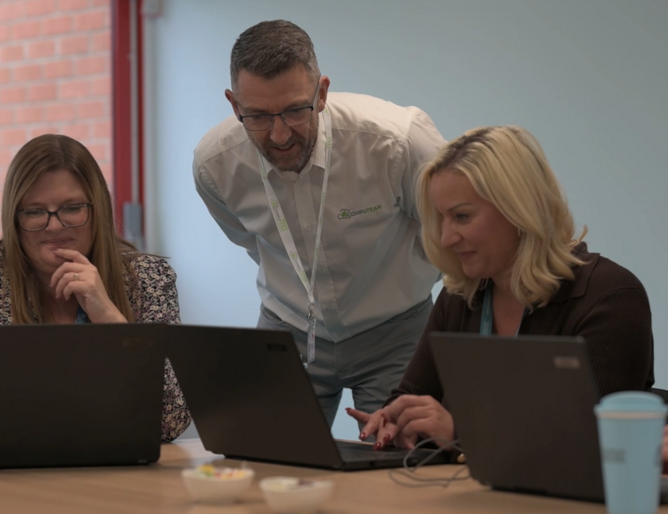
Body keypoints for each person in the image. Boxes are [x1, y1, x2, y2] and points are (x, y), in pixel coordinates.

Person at [193, 19, 446, 426]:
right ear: (234, 105)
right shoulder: (214, 166)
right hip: (287, 329)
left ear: (322, 92)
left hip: (398, 332)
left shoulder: (397, 142)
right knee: (271, 463)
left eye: (295, 110)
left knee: (404, 462)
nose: (278, 135)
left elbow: (451, 237)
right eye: (257, 116)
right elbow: (251, 243)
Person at [348, 125, 655, 450]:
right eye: (441, 219)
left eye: (462, 217)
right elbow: (412, 398)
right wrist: (396, 421)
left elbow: (594, 447)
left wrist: (461, 433)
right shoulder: (461, 296)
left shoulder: (610, 298)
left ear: (518, 209)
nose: (446, 238)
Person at [0, 134, 191, 443]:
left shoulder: (147, 279)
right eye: (34, 212)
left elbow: (171, 421)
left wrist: (112, 322)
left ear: (97, 207)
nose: (54, 226)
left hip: (112, 470)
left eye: (71, 207)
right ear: (14, 217)